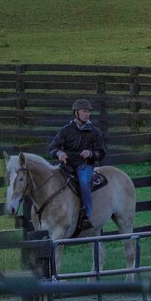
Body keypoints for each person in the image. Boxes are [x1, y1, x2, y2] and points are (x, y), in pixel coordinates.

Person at [49, 98, 106, 232]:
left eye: (88, 112)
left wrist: (91, 153)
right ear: (76, 113)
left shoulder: (94, 132)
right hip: (66, 165)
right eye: (84, 111)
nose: (87, 114)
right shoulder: (66, 130)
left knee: (84, 182)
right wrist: (59, 153)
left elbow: (102, 153)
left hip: (84, 166)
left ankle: (86, 215)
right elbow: (52, 148)